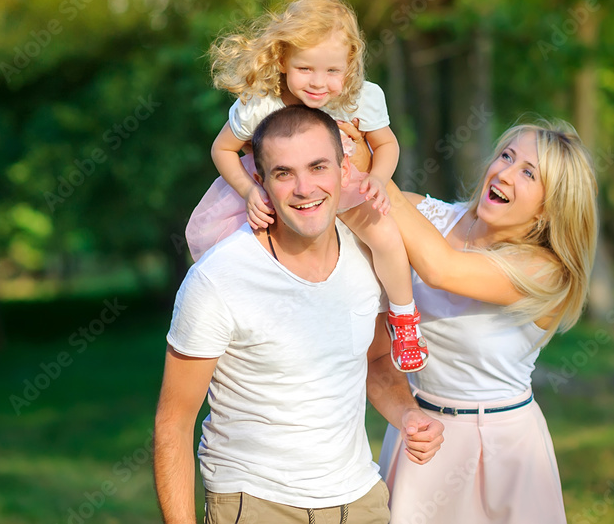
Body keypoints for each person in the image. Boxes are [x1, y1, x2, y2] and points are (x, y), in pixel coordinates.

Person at [154, 106, 445, 524]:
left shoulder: (370, 256)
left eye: (318, 166)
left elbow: (378, 362)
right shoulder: (218, 278)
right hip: (257, 504)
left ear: (345, 169)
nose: (304, 188)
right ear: (260, 181)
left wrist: (409, 414)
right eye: (284, 173)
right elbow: (173, 424)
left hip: (361, 501)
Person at [346, 118, 597, 523]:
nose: (504, 172)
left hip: (503, 451)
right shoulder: (428, 216)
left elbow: (441, 269)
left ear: (550, 210)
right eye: (506, 156)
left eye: (528, 173)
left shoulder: (544, 270)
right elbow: (378, 360)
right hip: (422, 437)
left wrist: (373, 171)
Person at [185, 0, 427, 372]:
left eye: (333, 71)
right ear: (282, 59)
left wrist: (378, 180)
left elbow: (387, 144)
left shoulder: (359, 97)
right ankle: (254, 333)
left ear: (349, 65)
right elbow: (222, 149)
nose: (319, 83)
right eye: (306, 69)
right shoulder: (261, 102)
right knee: (257, 251)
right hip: (279, 189)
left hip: (345, 182)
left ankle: (403, 316)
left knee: (384, 235)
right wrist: (249, 190)